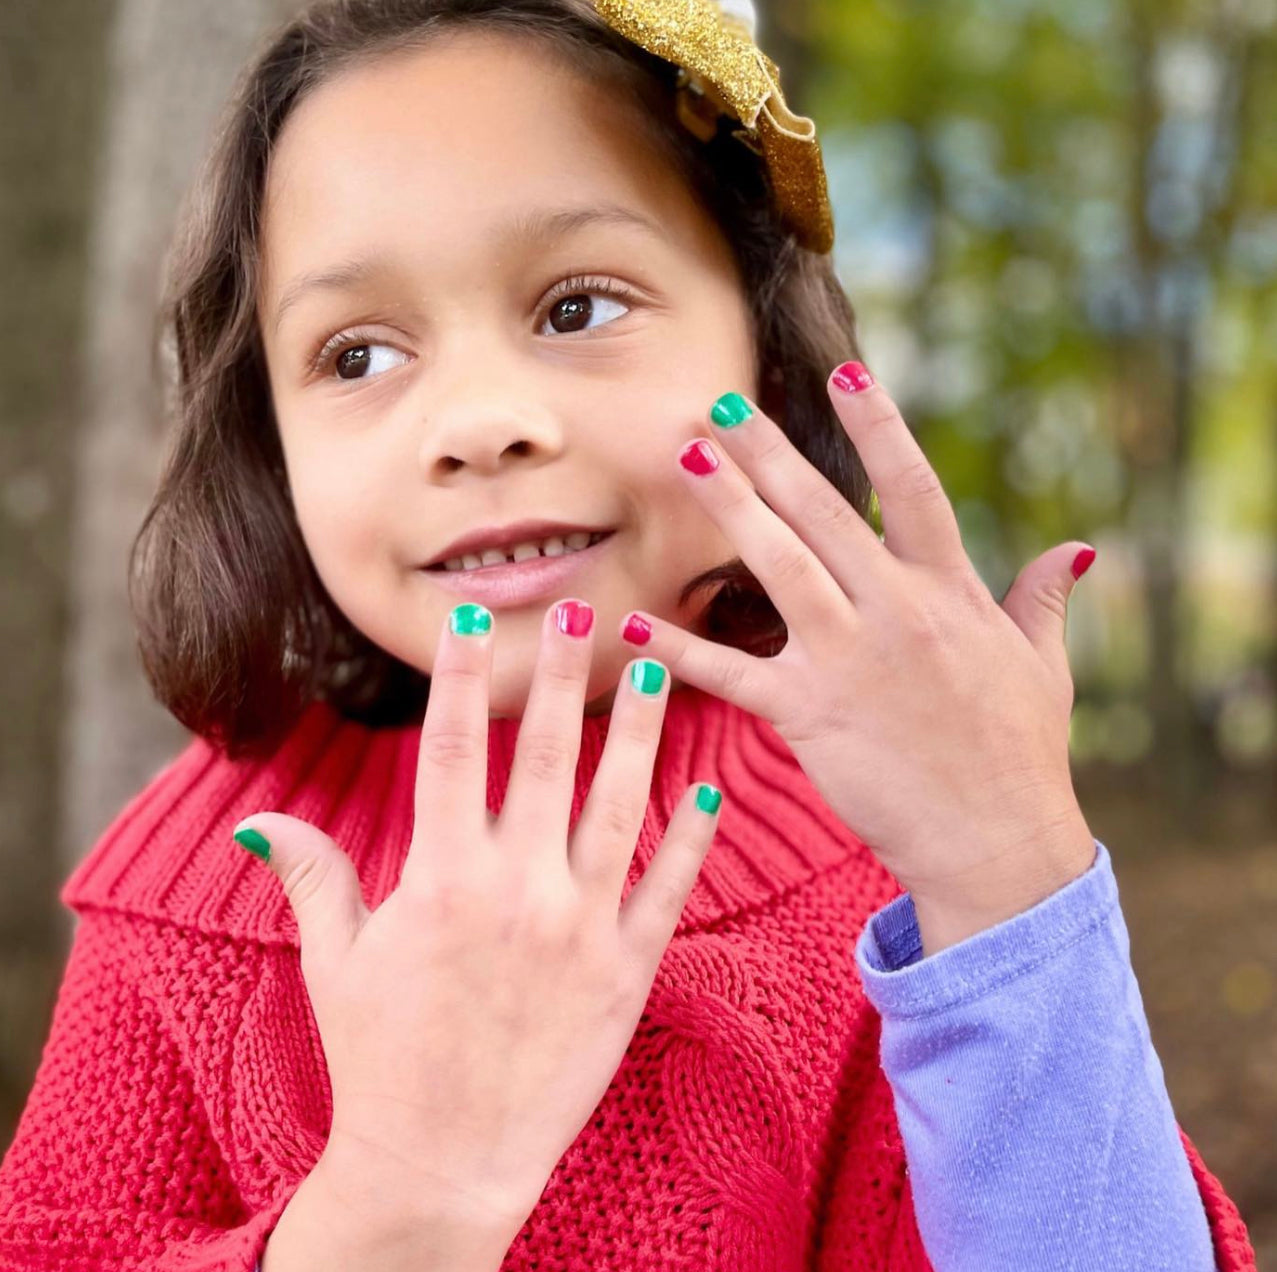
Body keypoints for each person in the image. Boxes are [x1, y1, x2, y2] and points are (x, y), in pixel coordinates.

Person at [0, 0, 1258, 1268]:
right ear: (269, 453)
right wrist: (401, 1200)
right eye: (359, 352)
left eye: (576, 309)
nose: (479, 422)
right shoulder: (191, 891)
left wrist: (1005, 883)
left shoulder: (886, 838)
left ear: (764, 354)